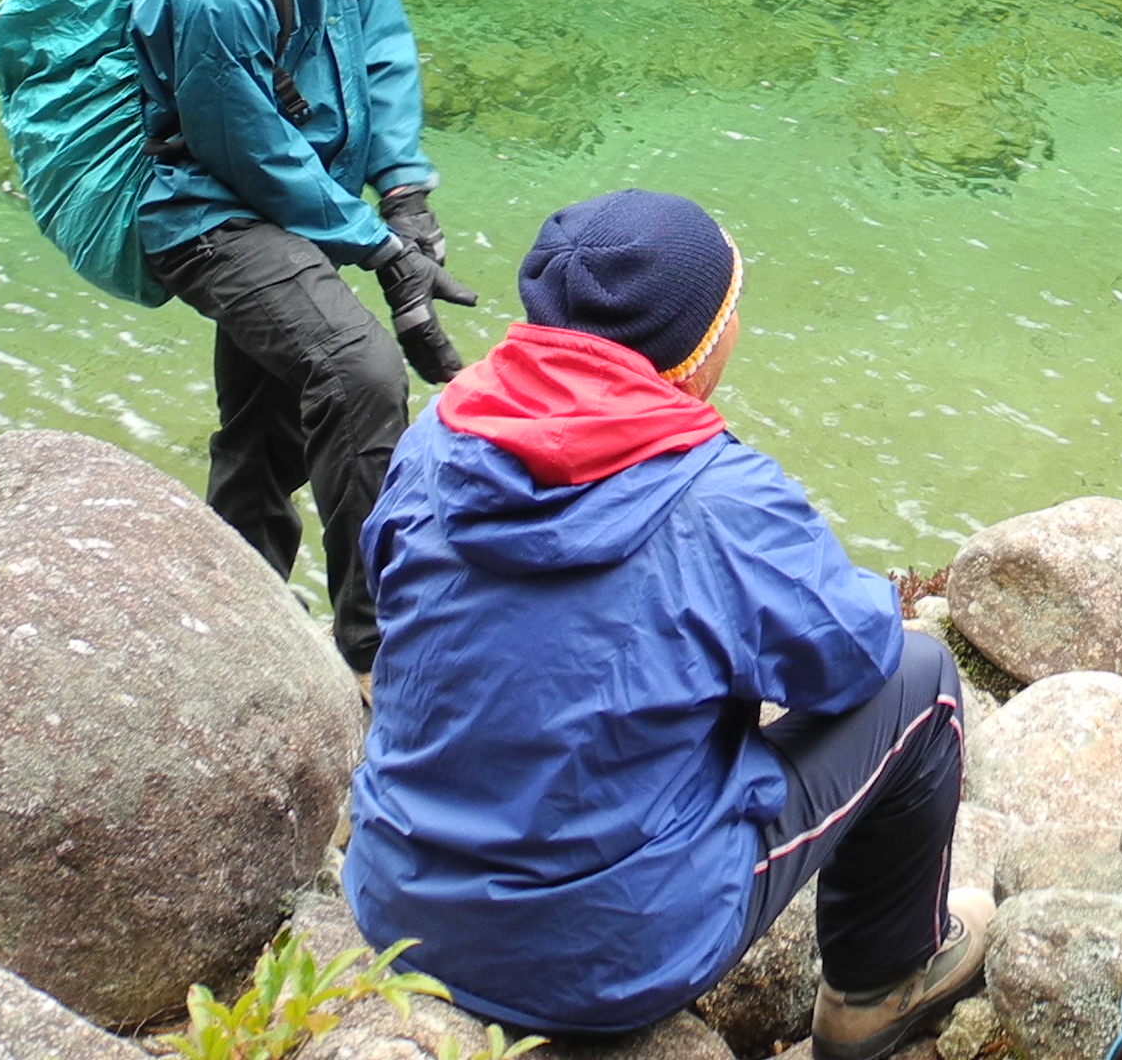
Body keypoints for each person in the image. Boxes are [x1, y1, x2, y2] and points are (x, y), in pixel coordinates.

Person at [348, 190, 986, 1060]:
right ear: (694, 351)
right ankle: (880, 987)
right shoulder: (722, 500)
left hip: (397, 908)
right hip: (603, 958)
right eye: (733, 309)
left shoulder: (439, 438)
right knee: (922, 682)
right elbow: (852, 658)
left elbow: (392, 600)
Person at [131, 0, 476, 678]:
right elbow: (247, 154)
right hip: (211, 216)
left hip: (302, 202)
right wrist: (376, 246)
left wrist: (405, 194)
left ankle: (235, 635)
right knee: (360, 374)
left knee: (263, 428)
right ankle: (377, 654)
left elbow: (382, 46)